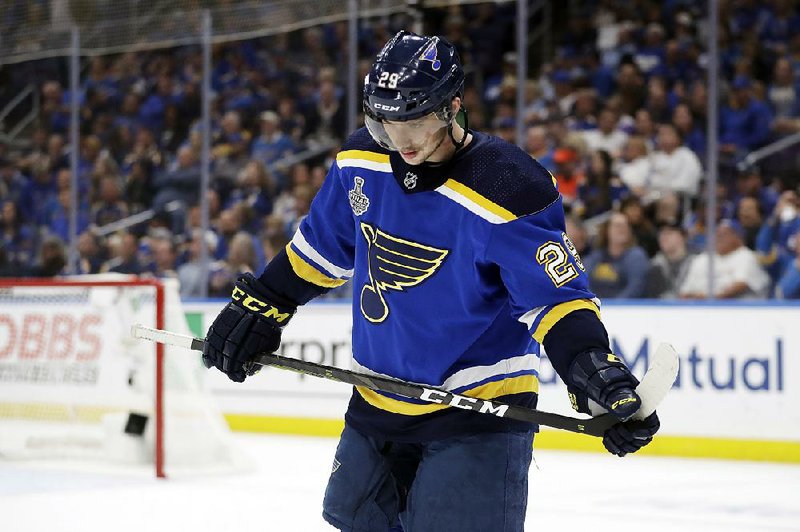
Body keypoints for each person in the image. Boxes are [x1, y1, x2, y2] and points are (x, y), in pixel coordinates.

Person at [201, 31, 659, 532]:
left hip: (476, 411)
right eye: (386, 122)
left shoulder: (508, 186)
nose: (401, 141)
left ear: (451, 107)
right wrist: (264, 303)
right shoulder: (362, 162)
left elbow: (557, 301)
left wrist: (592, 370)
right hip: (376, 401)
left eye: (414, 120)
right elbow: (319, 250)